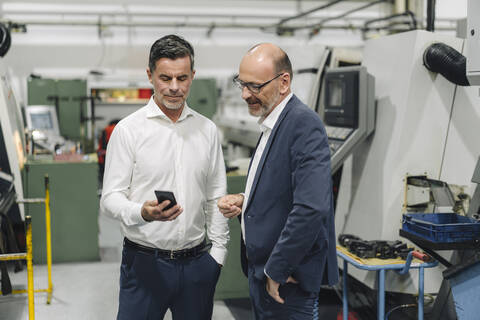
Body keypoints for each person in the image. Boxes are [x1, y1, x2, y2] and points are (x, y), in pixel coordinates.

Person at [100, 34, 229, 320]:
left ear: (192, 76)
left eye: (182, 78)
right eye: (165, 78)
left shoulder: (207, 131)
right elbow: (109, 199)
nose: (174, 87)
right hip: (145, 264)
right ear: (150, 75)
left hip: (197, 264)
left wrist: (217, 255)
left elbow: (216, 196)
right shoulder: (128, 131)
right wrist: (141, 213)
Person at [218, 43, 338, 319]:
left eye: (255, 86)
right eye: (242, 84)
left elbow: (311, 208)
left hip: (285, 281)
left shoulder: (303, 124)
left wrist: (277, 269)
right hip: (263, 271)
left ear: (284, 82)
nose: (245, 94)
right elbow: (280, 187)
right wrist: (245, 201)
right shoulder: (273, 122)